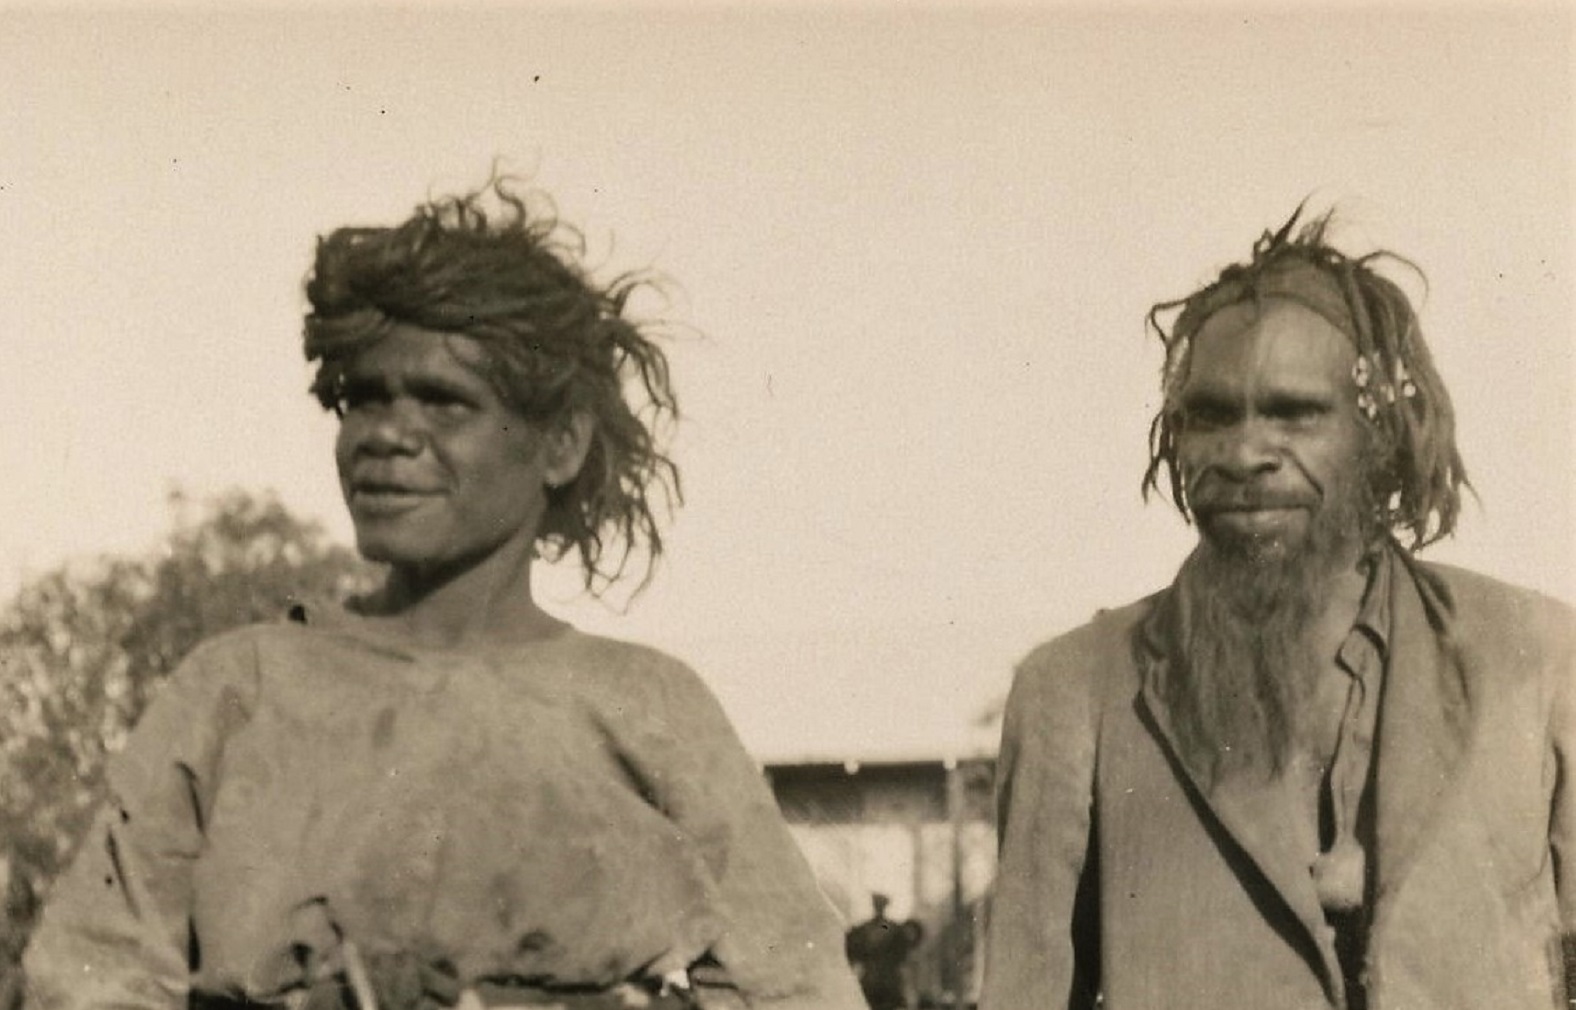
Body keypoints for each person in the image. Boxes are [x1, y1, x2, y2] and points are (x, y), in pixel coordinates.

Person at [23, 181, 866, 1010]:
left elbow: (796, 984)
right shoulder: (239, 689)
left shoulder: (649, 706)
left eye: (443, 401)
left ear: (560, 444)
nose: (386, 435)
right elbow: (92, 971)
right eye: (364, 399)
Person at [980, 208, 1576, 1010]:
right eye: (1213, 416)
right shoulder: (1075, 689)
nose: (1245, 454)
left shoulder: (1535, 660)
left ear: (1382, 433)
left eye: (1295, 413)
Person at [843, 895, 917, 1010]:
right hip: (881, 979)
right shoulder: (889, 928)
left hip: (881, 979)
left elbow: (903, 953)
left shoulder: (870, 928)